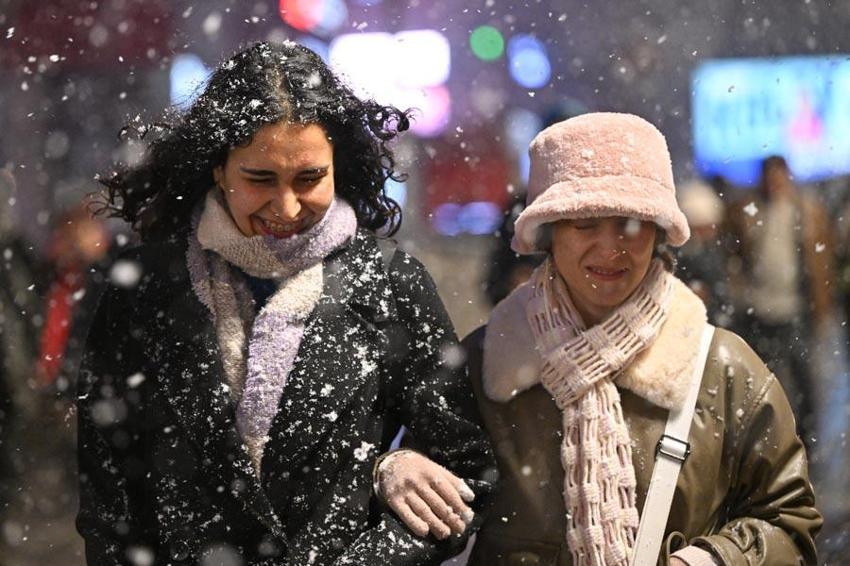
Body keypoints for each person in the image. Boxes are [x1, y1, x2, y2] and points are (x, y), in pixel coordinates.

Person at [76, 41, 495, 565]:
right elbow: (108, 491)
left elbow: (465, 469)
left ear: (338, 165)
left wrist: (384, 494)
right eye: (260, 179)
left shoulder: (390, 283)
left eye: (309, 178)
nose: (287, 206)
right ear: (218, 168)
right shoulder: (144, 290)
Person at [389, 114, 822, 565]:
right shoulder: (486, 365)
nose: (610, 247)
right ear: (548, 233)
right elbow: (422, 510)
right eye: (584, 224)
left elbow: (789, 521)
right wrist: (393, 469)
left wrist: (711, 560)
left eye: (629, 223)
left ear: (658, 232)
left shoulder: (722, 367)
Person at [726, 155, 834, 444]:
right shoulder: (752, 208)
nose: (775, 183)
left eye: (779, 176)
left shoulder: (804, 210)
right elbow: (738, 248)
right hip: (761, 306)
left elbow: (820, 261)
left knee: (803, 377)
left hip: (795, 307)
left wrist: (821, 306)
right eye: (770, 177)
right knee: (765, 376)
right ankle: (770, 436)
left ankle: (807, 436)